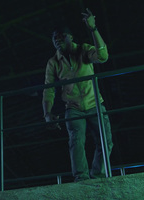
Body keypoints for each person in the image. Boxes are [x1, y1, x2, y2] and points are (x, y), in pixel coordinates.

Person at [42, 8, 113, 182]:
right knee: (76, 141)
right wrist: (47, 114)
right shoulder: (53, 63)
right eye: (54, 39)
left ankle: (97, 175)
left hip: (95, 104)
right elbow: (49, 89)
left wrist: (93, 29)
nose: (57, 41)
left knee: (105, 142)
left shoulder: (84, 50)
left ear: (70, 37)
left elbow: (103, 56)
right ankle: (81, 178)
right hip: (73, 108)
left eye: (61, 36)